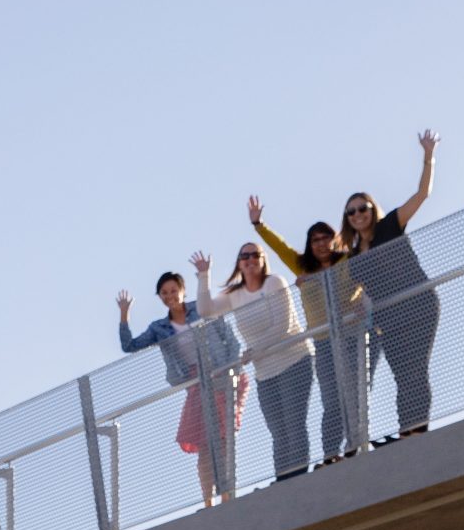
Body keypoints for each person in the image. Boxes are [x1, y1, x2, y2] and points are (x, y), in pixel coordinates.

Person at [341, 130, 443, 440]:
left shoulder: (391, 225)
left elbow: (422, 194)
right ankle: (406, 432)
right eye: (352, 211)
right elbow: (355, 291)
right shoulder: (354, 256)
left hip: (418, 304)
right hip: (389, 317)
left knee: (415, 371)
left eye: (363, 208)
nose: (358, 214)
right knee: (401, 375)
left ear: (372, 209)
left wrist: (428, 156)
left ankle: (416, 431)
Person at [117, 265, 245, 506]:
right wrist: (124, 315)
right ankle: (208, 501)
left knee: (223, 437)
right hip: (196, 383)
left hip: (220, 374)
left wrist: (232, 367)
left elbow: (228, 336)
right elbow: (130, 346)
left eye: (173, 291)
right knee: (204, 443)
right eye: (164, 293)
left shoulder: (203, 308)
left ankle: (228, 496)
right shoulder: (159, 327)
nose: (170, 297)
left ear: (183, 290)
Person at [251, 199, 361, 465]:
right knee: (331, 400)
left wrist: (360, 301)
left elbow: (365, 272)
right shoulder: (303, 268)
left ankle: (356, 444)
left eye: (325, 238)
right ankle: (331, 453)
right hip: (323, 342)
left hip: (350, 335)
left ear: (335, 240)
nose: (321, 244)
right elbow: (280, 249)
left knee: (354, 393)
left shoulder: (348, 260)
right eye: (315, 240)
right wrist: (258, 225)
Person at [201, 240, 314, 481]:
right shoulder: (234, 294)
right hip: (265, 372)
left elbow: (282, 326)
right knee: (278, 431)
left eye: (255, 255)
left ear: (263, 260)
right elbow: (205, 310)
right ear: (239, 263)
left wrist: (254, 351)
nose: (250, 260)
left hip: (294, 361)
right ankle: (283, 480)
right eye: (245, 256)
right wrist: (203, 275)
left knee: (294, 423)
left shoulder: (274, 283)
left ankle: (300, 478)